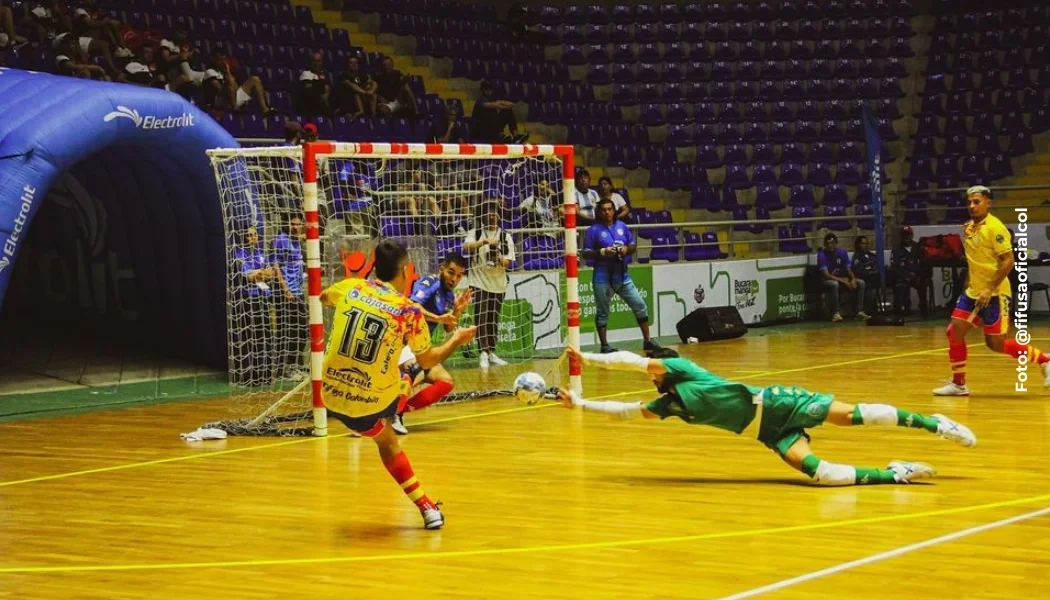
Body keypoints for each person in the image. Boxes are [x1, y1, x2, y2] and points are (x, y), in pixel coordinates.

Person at [558, 346, 976, 486]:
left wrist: (589, 359)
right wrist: (579, 405)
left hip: (775, 402)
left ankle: (936, 424)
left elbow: (633, 361)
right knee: (820, 475)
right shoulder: (670, 405)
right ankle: (897, 474)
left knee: (852, 416)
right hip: (766, 431)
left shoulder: (681, 368)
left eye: (654, 372)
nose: (651, 378)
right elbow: (626, 413)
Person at [319, 240, 477, 529]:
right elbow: (428, 358)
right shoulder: (409, 308)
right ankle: (427, 507)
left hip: (328, 394)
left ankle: (399, 405)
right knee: (389, 441)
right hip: (369, 402)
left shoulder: (351, 287)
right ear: (406, 271)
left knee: (424, 376)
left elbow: (323, 298)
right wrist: (456, 339)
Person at [933, 186, 1050, 395]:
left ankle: (1045, 360)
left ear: (989, 203)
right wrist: (968, 285)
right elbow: (974, 261)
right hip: (973, 293)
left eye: (976, 202)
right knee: (954, 332)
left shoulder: (995, 228)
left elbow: (1008, 261)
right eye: (969, 202)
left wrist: (989, 288)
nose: (971, 206)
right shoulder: (968, 228)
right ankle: (959, 384)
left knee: (995, 343)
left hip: (995, 293)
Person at [391, 253, 473, 435]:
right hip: (404, 344)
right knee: (413, 371)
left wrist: (457, 311)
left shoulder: (450, 295)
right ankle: (391, 415)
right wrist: (437, 317)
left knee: (445, 382)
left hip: (421, 349)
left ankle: (396, 412)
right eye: (451, 272)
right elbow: (412, 307)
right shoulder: (430, 283)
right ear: (442, 268)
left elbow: (448, 327)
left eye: (459, 275)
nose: (454, 279)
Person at [582, 198, 661, 354]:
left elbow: (633, 245)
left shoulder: (622, 226)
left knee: (639, 305)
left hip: (622, 274)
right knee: (602, 312)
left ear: (614, 210)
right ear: (599, 212)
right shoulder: (593, 230)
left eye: (610, 209)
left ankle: (647, 341)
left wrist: (626, 249)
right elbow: (585, 253)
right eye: (603, 210)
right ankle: (604, 345)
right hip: (602, 275)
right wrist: (603, 252)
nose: (607, 212)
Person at [463, 199, 516, 368]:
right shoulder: (476, 232)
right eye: (488, 212)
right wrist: (483, 243)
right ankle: (483, 353)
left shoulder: (505, 236)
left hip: (498, 283)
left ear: (499, 215)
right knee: (481, 318)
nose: (491, 216)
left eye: (494, 212)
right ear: (483, 215)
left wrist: (498, 257)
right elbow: (466, 247)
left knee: (493, 319)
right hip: (478, 280)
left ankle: (491, 352)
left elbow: (509, 261)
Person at [271, 215, 307, 379]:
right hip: (287, 293)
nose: (295, 227)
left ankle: (295, 364)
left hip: (298, 292)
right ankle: (283, 369)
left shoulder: (296, 241)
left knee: (303, 330)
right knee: (288, 331)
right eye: (292, 224)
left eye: (298, 224)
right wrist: (285, 289)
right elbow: (276, 266)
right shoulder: (281, 240)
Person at [817, 232, 869, 322]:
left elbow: (848, 269)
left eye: (832, 243)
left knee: (861, 283)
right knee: (834, 284)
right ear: (825, 244)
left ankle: (859, 311)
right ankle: (835, 313)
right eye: (828, 244)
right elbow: (827, 275)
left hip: (843, 278)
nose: (830, 246)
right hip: (827, 280)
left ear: (836, 243)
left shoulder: (842, 252)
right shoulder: (821, 255)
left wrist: (852, 279)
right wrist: (844, 282)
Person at [890, 226, 930, 317]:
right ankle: (902, 310)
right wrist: (906, 276)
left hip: (916, 275)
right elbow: (895, 267)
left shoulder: (918, 247)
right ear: (901, 236)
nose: (906, 237)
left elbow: (924, 263)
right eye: (904, 235)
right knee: (900, 285)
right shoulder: (896, 249)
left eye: (908, 234)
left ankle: (923, 308)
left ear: (911, 235)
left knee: (922, 284)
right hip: (902, 276)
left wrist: (919, 275)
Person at [851, 235, 880, 315]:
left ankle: (873, 310)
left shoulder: (871, 255)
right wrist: (870, 271)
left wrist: (871, 270)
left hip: (874, 278)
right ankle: (865, 310)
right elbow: (859, 270)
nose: (864, 246)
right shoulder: (856, 256)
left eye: (866, 244)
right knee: (868, 284)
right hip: (863, 278)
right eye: (862, 244)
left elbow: (877, 266)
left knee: (875, 282)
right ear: (858, 245)